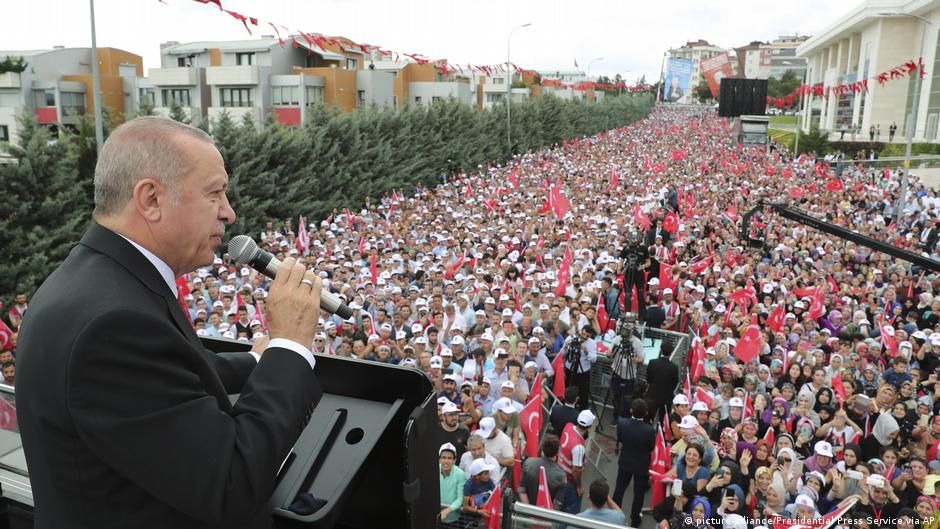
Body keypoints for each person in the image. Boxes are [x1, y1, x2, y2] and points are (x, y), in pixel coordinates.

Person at [16, 117, 324, 529]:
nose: (229, 213)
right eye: (214, 193)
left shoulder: (95, 281)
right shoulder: (114, 325)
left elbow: (162, 380)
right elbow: (231, 483)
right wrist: (289, 345)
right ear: (151, 199)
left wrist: (254, 362)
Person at [613, 398, 656, 527]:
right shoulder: (649, 430)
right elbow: (651, 447)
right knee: (639, 494)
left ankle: (614, 515)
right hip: (641, 465)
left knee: (619, 489)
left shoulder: (622, 423)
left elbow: (620, 439)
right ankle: (635, 519)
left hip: (625, 461)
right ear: (646, 413)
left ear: (631, 410)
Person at [558, 410, 595, 514]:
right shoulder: (579, 446)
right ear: (590, 426)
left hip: (558, 471)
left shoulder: (568, 426)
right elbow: (576, 470)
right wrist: (579, 486)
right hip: (569, 481)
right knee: (571, 510)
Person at [519, 434, 566, 508]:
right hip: (546, 515)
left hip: (527, 512)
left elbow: (522, 490)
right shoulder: (561, 476)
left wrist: (528, 510)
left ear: (542, 448)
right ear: (557, 452)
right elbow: (557, 504)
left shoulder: (528, 463)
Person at [646, 341, 679, 421]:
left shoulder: (652, 363)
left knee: (648, 418)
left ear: (661, 350)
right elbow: (675, 383)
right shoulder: (674, 367)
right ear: (671, 352)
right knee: (663, 422)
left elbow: (648, 379)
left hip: (652, 395)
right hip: (666, 398)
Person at [438, 442, 466, 524]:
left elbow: (460, 499)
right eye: (443, 457)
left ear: (454, 460)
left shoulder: (460, 474)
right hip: (436, 516)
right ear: (439, 459)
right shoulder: (433, 470)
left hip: (453, 519)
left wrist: (446, 511)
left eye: (449, 458)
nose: (446, 461)